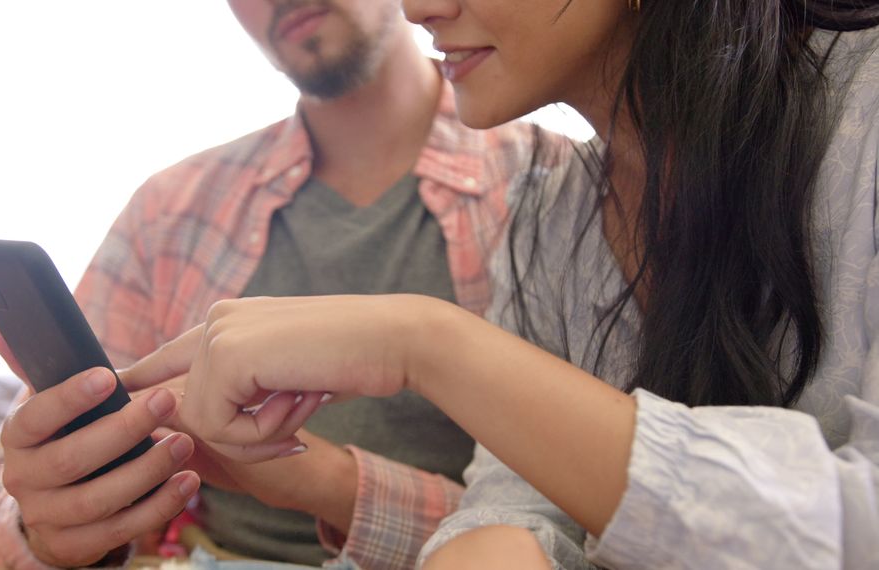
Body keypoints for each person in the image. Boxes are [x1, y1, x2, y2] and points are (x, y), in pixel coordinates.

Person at [143, 0, 879, 568]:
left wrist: (424, 343)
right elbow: (518, 512)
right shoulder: (550, 219)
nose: (417, 8)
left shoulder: (861, 114)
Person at [0, 0, 574, 568]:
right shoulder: (170, 210)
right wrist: (47, 531)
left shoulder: (562, 191)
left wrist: (326, 481)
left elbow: (601, 520)